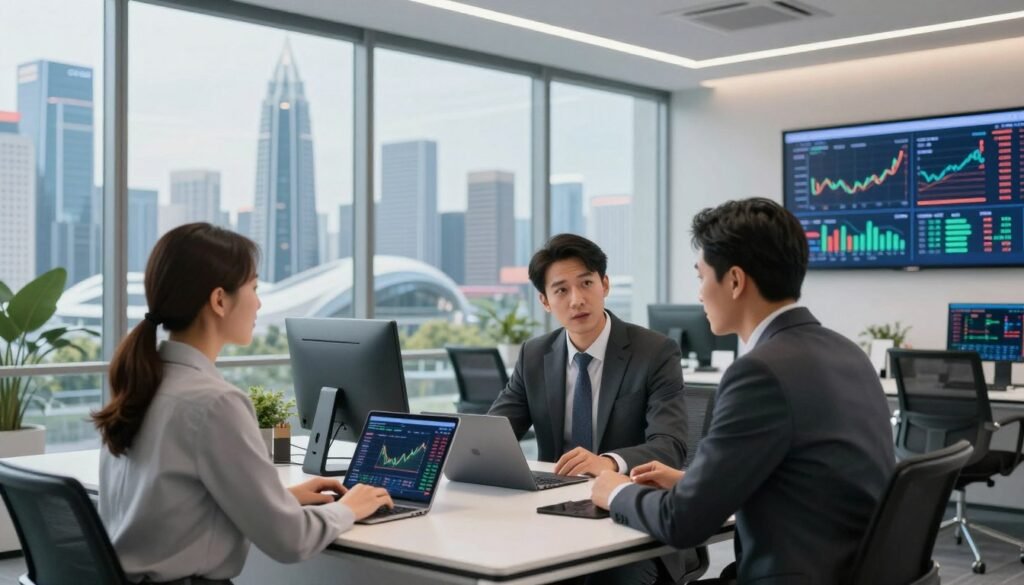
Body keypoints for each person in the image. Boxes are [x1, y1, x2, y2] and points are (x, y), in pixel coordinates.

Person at [592, 198, 896, 584]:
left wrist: (615, 492)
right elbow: (808, 478)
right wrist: (692, 483)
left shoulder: (759, 372)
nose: (700, 293)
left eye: (701, 276)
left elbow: (682, 524)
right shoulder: (846, 351)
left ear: (734, 281)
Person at [92, 223, 393, 584]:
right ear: (219, 300)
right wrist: (348, 509)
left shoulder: (145, 383)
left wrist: (279, 499)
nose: (259, 302)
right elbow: (291, 542)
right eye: (254, 287)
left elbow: (171, 504)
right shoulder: (215, 403)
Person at [488, 233, 690, 584]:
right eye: (561, 290)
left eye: (586, 283)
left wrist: (609, 462)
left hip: (629, 522)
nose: (577, 300)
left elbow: (669, 445)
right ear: (545, 301)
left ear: (605, 284)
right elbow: (493, 432)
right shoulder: (535, 355)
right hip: (553, 515)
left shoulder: (654, 352)